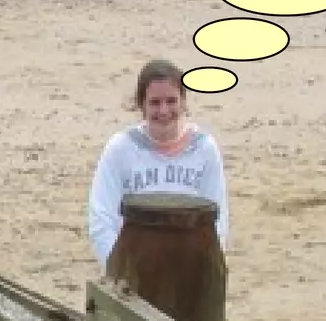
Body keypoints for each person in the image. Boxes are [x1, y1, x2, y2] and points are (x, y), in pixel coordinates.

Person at [86, 59, 231, 270]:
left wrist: (203, 267)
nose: (164, 111)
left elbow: (218, 219)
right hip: (132, 270)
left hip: (189, 271)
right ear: (141, 105)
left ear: (183, 101)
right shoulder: (120, 148)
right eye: (155, 102)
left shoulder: (204, 149)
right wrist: (119, 269)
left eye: (171, 101)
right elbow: (101, 217)